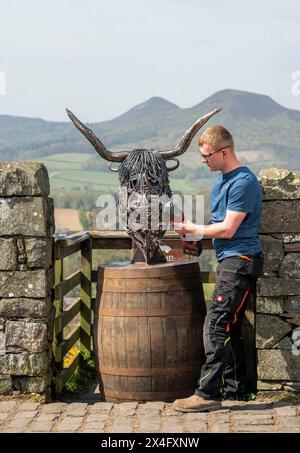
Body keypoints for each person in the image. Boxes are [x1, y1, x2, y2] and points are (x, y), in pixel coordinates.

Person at [173, 125, 263, 412]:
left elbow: (228, 229)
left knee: (215, 323)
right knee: (231, 327)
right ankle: (236, 392)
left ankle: (207, 393)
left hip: (241, 261)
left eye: (207, 155)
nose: (204, 160)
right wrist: (194, 241)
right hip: (231, 259)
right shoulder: (221, 182)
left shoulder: (243, 182)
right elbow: (216, 230)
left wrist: (195, 228)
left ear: (224, 152)